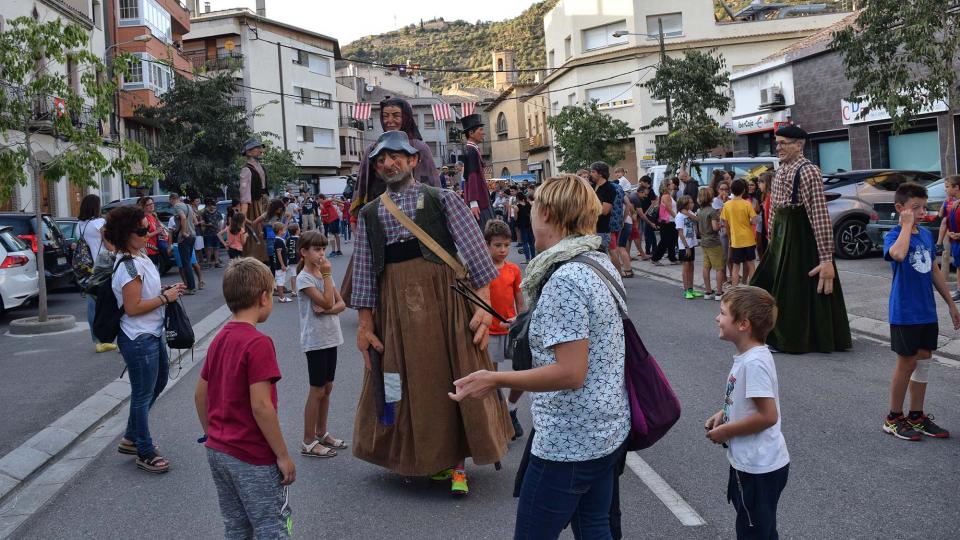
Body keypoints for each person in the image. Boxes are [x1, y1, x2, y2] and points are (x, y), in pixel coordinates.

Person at [449, 174, 629, 538]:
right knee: (594, 525)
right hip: (606, 429)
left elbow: (570, 373)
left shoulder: (565, 277)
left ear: (545, 211)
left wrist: (494, 378)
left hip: (569, 441)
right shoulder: (597, 260)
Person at [350, 130, 513, 497]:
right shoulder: (369, 214)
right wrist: (365, 325)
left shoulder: (443, 200)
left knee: (454, 375)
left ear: (413, 161)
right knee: (394, 380)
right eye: (380, 159)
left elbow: (475, 254)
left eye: (395, 156)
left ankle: (457, 461)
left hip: (447, 303)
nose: (388, 163)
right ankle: (406, 453)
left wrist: (483, 309)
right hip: (394, 311)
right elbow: (363, 271)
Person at [195, 257, 295, 538]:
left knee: (236, 527)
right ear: (264, 297)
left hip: (219, 451)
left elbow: (200, 394)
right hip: (252, 455)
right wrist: (283, 455)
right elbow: (261, 406)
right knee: (271, 527)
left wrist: (212, 433)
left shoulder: (220, 338)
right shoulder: (258, 343)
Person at [750, 125, 852, 353]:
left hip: (801, 238)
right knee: (771, 285)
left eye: (783, 143)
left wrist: (826, 258)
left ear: (799, 145)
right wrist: (772, 239)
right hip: (782, 236)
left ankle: (794, 338)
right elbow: (774, 209)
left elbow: (819, 214)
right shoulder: (780, 171)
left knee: (795, 289)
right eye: (777, 143)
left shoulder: (808, 171)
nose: (778, 147)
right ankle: (777, 334)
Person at [104, 205, 185, 474]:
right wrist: (165, 298)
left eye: (147, 227)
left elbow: (143, 293)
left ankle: (130, 436)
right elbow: (133, 307)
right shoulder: (128, 266)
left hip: (151, 333)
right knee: (141, 394)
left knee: (159, 382)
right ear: (126, 234)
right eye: (142, 229)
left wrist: (164, 290)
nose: (148, 232)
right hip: (138, 337)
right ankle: (144, 450)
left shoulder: (139, 256)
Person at [705, 286, 790, 540]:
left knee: (754, 533)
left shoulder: (754, 363)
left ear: (743, 324)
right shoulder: (749, 357)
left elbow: (767, 416)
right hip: (752, 464)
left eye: (722, 313)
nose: (717, 318)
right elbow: (747, 402)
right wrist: (724, 414)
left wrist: (725, 432)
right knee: (756, 529)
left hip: (759, 468)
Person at [881, 182, 960, 441]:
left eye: (924, 207)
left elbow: (935, 271)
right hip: (905, 311)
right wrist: (905, 226)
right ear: (900, 208)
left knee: (924, 359)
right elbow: (899, 255)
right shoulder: (893, 235)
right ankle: (893, 417)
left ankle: (916, 416)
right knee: (907, 362)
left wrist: (950, 304)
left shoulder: (926, 235)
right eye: (915, 208)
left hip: (927, 311)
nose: (921, 212)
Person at [294, 230, 348, 458]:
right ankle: (307, 441)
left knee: (327, 387)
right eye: (316, 249)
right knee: (316, 390)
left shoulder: (324, 274)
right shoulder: (305, 278)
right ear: (304, 252)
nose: (321, 253)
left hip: (330, 337)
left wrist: (327, 309)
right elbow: (328, 300)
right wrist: (326, 281)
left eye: (323, 249)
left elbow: (341, 304)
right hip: (315, 340)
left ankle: (322, 432)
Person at [350, 97, 440, 222]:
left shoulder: (419, 148)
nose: (389, 121)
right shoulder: (372, 149)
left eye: (396, 115)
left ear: (406, 117)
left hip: (416, 216)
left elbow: (431, 187)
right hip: (379, 217)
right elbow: (363, 185)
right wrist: (355, 218)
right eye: (385, 116)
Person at [482, 220, 526, 440]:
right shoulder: (482, 270)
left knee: (521, 371)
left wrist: (522, 321)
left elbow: (519, 298)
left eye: (507, 245)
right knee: (492, 375)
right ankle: (498, 416)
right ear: (487, 245)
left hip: (511, 331)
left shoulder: (513, 270)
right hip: (490, 331)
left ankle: (510, 409)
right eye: (497, 245)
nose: (503, 250)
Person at [77, 194, 116, 353]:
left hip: (88, 268)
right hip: (103, 266)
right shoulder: (100, 223)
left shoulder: (80, 224)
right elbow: (110, 246)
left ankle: (97, 340)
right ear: (96, 206)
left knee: (92, 305)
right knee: (112, 302)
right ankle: (109, 338)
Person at [721, 180, 759, 286]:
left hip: (736, 240)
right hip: (748, 239)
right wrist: (749, 222)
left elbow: (726, 224)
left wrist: (730, 238)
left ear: (731, 190)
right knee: (751, 264)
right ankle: (752, 287)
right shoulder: (747, 204)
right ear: (743, 190)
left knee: (736, 266)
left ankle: (734, 289)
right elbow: (755, 220)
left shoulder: (727, 205)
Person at [238, 138, 269, 262]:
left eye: (261, 148)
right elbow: (244, 194)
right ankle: (252, 265)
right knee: (254, 238)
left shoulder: (260, 167)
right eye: (258, 148)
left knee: (263, 238)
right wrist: (243, 216)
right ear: (248, 152)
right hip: (254, 206)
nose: (261, 150)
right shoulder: (246, 169)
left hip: (262, 204)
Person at [461, 113, 493, 230]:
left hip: (481, 200)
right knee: (487, 235)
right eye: (480, 130)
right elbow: (471, 177)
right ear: (471, 133)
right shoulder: (471, 151)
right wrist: (473, 203)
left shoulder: (472, 149)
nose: (483, 133)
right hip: (480, 203)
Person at [697, 187, 725, 301]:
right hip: (713, 241)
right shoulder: (712, 211)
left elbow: (699, 229)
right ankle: (719, 292)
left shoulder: (700, 211)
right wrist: (720, 225)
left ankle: (708, 291)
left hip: (704, 241)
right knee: (719, 267)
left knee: (706, 266)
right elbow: (714, 227)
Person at [170, 192, 198, 293]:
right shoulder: (188, 206)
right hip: (192, 236)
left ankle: (191, 287)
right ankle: (192, 286)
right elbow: (195, 221)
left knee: (186, 263)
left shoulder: (177, 206)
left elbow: (183, 217)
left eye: (170, 201)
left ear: (172, 199)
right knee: (189, 262)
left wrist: (184, 232)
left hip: (184, 238)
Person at [676, 195, 702, 299]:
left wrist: (689, 214)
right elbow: (681, 233)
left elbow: (698, 219)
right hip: (684, 245)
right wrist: (686, 246)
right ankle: (686, 290)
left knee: (691, 266)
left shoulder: (689, 213)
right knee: (686, 267)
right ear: (685, 204)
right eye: (690, 203)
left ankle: (691, 289)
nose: (692, 204)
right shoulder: (679, 217)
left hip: (691, 243)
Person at [590, 161, 617, 251]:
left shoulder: (609, 188)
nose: (591, 174)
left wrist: (587, 207)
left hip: (601, 231)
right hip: (590, 229)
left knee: (600, 258)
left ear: (600, 173)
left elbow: (605, 211)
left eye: (593, 172)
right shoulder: (592, 186)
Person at [650, 179, 678, 265]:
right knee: (665, 241)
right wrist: (677, 217)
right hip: (668, 221)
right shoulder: (666, 196)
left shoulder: (668, 195)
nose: (673, 185)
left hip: (670, 221)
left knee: (672, 240)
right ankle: (655, 258)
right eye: (671, 183)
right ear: (667, 186)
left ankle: (672, 258)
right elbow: (669, 209)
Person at [138, 197, 166, 271]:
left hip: (155, 248)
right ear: (144, 207)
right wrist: (157, 231)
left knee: (156, 270)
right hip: (148, 249)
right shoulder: (144, 218)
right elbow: (146, 235)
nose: (151, 205)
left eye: (152, 203)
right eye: (149, 204)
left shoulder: (153, 216)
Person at [270, 221, 292, 303]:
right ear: (279, 231)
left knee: (280, 280)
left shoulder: (277, 240)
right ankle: (282, 297)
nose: (285, 231)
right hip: (280, 265)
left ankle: (281, 296)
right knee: (280, 281)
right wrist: (282, 264)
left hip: (278, 264)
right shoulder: (279, 241)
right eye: (283, 230)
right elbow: (279, 254)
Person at [201, 197, 223, 268]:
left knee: (216, 247)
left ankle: (217, 262)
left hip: (216, 233)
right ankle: (208, 262)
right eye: (209, 205)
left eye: (213, 205)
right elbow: (202, 223)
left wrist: (220, 230)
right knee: (208, 248)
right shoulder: (204, 213)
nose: (211, 207)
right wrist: (207, 224)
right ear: (207, 205)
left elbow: (220, 222)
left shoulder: (218, 213)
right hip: (208, 233)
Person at [515, 193, 535, 262]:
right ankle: (533, 257)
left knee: (525, 242)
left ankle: (527, 259)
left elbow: (515, 218)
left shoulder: (517, 206)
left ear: (517, 198)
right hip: (529, 224)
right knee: (531, 242)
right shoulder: (529, 204)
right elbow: (531, 215)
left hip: (522, 225)